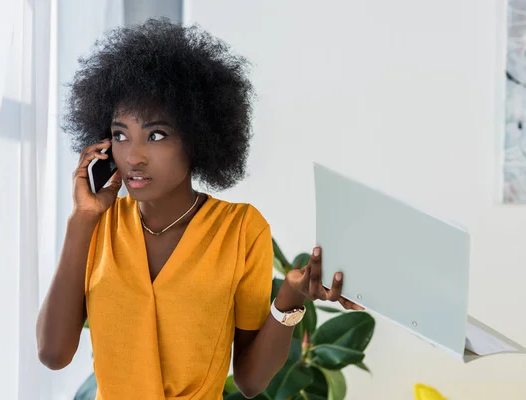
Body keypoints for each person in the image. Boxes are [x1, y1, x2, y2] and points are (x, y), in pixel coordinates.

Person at [36, 18, 362, 400]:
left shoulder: (240, 229)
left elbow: (250, 381)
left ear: (198, 138)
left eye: (156, 135)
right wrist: (82, 221)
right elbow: (53, 354)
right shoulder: (100, 224)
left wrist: (290, 298)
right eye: (121, 135)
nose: (134, 156)